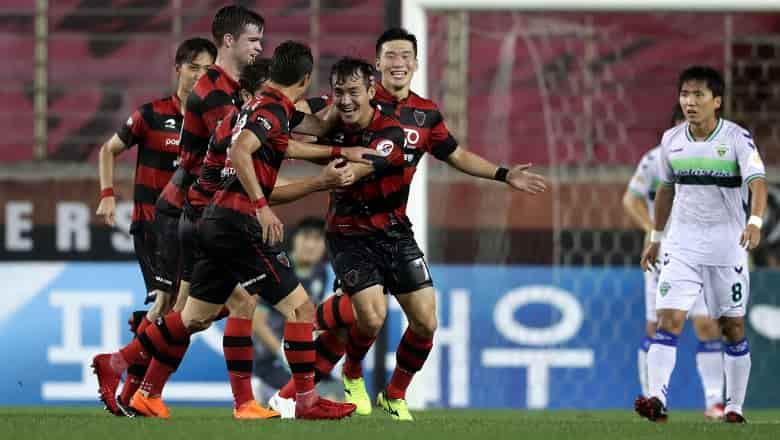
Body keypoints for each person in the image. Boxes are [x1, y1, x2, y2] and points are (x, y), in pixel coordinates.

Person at [271, 28, 548, 421]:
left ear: (415, 64)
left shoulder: (424, 113)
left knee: (425, 320)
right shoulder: (352, 95)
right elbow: (296, 114)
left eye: (406, 55)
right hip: (350, 230)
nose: (398, 61)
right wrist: (264, 114)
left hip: (396, 230)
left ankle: (393, 393)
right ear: (378, 64)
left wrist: (503, 174)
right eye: (391, 55)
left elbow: (454, 154)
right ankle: (341, 369)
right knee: (368, 315)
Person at [125, 41, 359, 420]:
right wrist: (265, 207)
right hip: (231, 222)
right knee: (300, 308)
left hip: (210, 220)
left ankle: (127, 369)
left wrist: (337, 147)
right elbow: (246, 154)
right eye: (252, 40)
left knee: (195, 316)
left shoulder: (250, 110)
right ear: (304, 79)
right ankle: (303, 400)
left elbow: (297, 142)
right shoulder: (268, 110)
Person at [92, 37, 216, 416]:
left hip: (191, 228)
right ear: (177, 68)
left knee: (179, 311)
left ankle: (129, 376)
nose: (198, 75)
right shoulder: (151, 114)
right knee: (183, 309)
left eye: (206, 70)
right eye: (192, 67)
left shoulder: (212, 123)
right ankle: (134, 382)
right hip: (152, 226)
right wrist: (108, 193)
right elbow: (108, 149)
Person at [637, 66, 767, 424]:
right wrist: (656, 238)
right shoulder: (671, 140)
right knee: (669, 320)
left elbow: (758, 184)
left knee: (732, 329)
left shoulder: (738, 139)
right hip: (682, 245)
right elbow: (665, 189)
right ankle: (656, 399)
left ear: (717, 101)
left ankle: (734, 407)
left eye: (698, 95)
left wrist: (754, 223)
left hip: (727, 246)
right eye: (685, 95)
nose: (690, 102)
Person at [624, 105, 726, 420]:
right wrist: (653, 233)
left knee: (708, 323)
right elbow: (631, 199)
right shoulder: (656, 159)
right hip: (664, 254)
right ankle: (653, 400)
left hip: (702, 252)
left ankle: (714, 402)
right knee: (657, 327)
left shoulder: (719, 158)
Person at [252, 217, 333, 402]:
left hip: (301, 361)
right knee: (321, 399)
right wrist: (283, 355)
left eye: (317, 239)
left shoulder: (320, 272)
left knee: (338, 400)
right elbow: (257, 323)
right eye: (306, 237)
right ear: (294, 239)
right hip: (271, 363)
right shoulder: (280, 269)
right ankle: (262, 389)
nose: (311, 245)